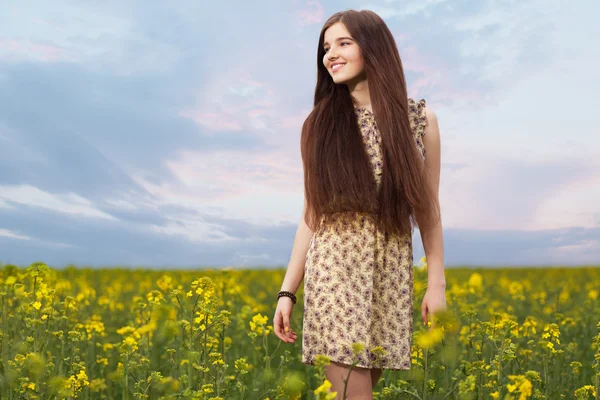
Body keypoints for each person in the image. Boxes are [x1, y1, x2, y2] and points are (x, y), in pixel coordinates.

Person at [273, 9, 447, 399]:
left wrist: (436, 284)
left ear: (373, 47)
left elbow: (428, 209)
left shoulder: (419, 119)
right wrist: (287, 293)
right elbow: (311, 215)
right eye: (325, 47)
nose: (330, 54)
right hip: (335, 271)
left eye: (343, 43)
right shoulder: (320, 125)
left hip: (389, 273)